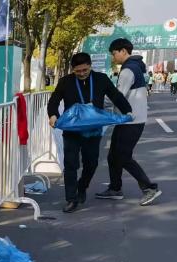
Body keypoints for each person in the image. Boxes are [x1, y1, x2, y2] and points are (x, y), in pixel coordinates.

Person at [48, 52, 132, 213]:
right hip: (72, 130)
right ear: (73, 69)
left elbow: (115, 96)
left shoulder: (101, 79)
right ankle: (71, 199)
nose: (81, 74)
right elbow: (54, 100)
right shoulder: (66, 82)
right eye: (78, 71)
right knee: (70, 164)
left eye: (84, 70)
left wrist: (127, 111)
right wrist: (53, 115)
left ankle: (82, 186)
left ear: (90, 66)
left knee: (91, 163)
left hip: (93, 130)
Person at [96, 38, 161, 206]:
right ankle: (115, 188)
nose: (113, 57)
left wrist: (94, 103)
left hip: (132, 121)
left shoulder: (128, 70)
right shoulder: (135, 67)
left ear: (123, 51)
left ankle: (149, 187)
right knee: (113, 156)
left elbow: (117, 96)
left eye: (114, 53)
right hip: (126, 120)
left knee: (123, 157)